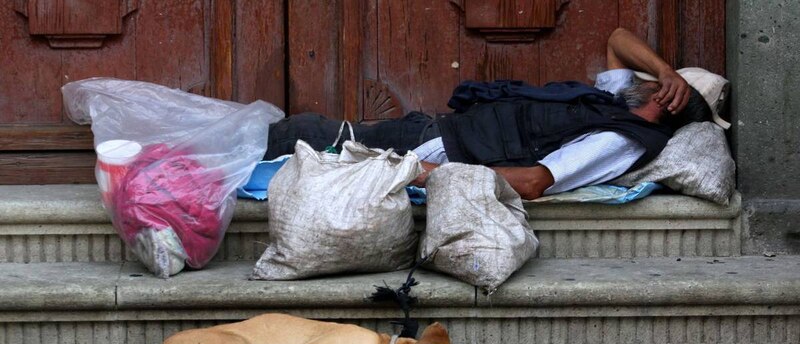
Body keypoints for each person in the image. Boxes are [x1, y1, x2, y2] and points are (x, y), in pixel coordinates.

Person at [266, 28, 722, 200]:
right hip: (435, 129)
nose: (638, 76)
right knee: (293, 136)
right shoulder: (618, 103)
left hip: (435, 148)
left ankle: (198, 171)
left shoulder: (620, 140)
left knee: (300, 134)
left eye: (656, 81)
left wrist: (414, 171)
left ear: (665, 101)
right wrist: (665, 69)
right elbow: (618, 38)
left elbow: (534, 182)